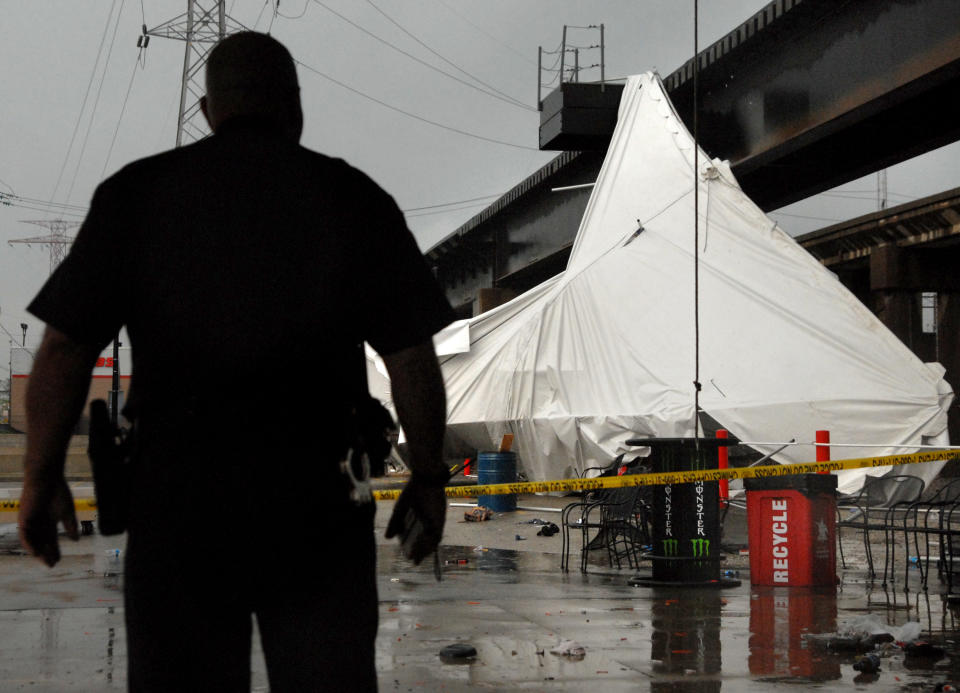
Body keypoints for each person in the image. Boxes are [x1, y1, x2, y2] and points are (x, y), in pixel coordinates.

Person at [18, 31, 454, 692]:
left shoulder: (137, 195)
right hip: (317, 507)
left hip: (179, 509)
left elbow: (62, 349)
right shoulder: (353, 199)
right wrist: (428, 477)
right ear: (295, 106)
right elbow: (411, 359)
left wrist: (39, 477)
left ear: (207, 109)